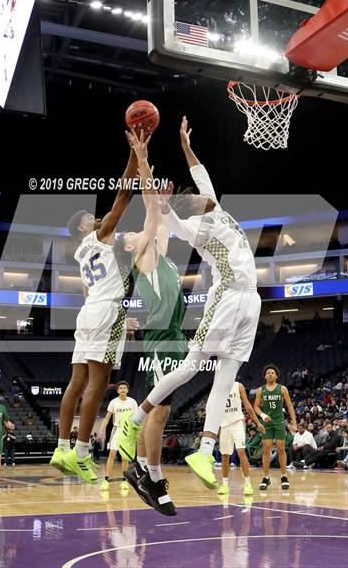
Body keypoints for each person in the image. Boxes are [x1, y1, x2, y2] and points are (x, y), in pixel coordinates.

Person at [119, 116, 262, 496]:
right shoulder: (195, 229)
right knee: (191, 366)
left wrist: (184, 145)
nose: (202, 194)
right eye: (195, 197)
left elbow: (200, 172)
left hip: (252, 302)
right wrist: (149, 173)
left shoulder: (216, 209)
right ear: (192, 209)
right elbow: (159, 206)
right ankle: (135, 418)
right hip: (227, 296)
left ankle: (204, 450)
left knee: (225, 379)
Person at [49, 137, 137, 483]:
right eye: (90, 216)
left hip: (87, 313)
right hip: (105, 312)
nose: (96, 216)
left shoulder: (81, 251)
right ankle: (82, 454)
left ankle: (61, 448)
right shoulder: (100, 235)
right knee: (98, 386)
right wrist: (134, 153)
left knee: (76, 382)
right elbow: (123, 195)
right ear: (85, 226)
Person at [119, 129, 187, 515]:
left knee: (161, 410)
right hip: (161, 339)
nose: (139, 232)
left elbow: (158, 215)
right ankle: (153, 476)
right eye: (133, 234)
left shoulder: (165, 255)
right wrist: (142, 161)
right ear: (131, 245)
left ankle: (143, 469)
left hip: (175, 338)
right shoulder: (143, 255)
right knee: (158, 411)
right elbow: (149, 207)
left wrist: (163, 200)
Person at [254, 365, 297, 491]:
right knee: (266, 450)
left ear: (276, 376)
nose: (271, 374)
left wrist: (293, 423)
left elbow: (290, 406)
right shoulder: (260, 390)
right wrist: (262, 415)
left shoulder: (282, 389)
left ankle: (284, 476)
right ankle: (266, 477)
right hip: (267, 423)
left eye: (273, 373)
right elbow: (256, 407)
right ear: (265, 376)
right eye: (268, 373)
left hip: (279, 422)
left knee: (280, 449)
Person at [217, 382, 265, 496]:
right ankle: (224, 484)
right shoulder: (217, 387)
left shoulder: (238, 386)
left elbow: (248, 406)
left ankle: (247, 484)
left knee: (241, 451)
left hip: (237, 422)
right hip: (224, 425)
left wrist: (257, 422)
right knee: (225, 456)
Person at [98, 381, 138, 492]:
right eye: (120, 388)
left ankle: (124, 481)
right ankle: (106, 480)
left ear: (127, 390)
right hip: (117, 429)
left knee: (125, 457)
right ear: (117, 391)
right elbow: (107, 418)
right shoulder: (113, 402)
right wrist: (101, 430)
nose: (123, 389)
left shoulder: (133, 402)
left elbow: (137, 417)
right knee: (112, 454)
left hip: (128, 431)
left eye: (124, 387)